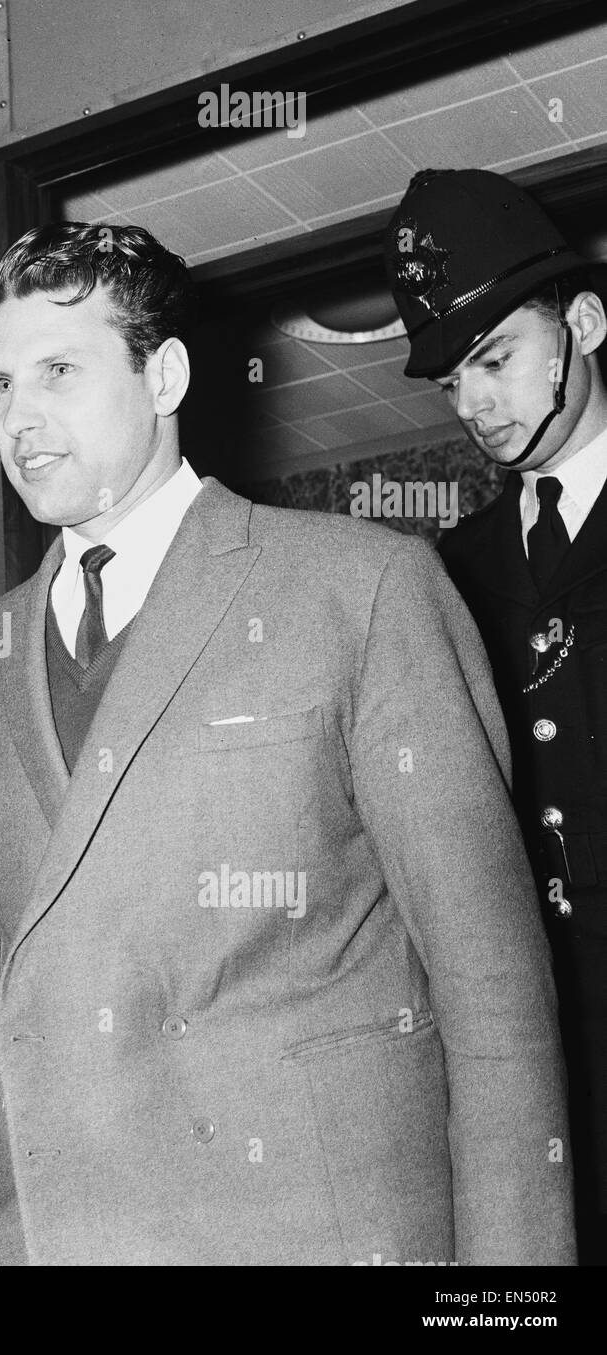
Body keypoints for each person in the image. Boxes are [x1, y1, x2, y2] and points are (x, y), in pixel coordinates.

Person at [0, 219, 573, 1265]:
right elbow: (4, 1018)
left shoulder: (358, 585)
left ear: (165, 377)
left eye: (59, 368)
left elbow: (492, 989)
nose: (20, 415)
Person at [385, 167, 607, 1262]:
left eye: (494, 358)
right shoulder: (451, 573)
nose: (473, 405)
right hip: (541, 1065)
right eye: (450, 381)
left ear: (584, 323)